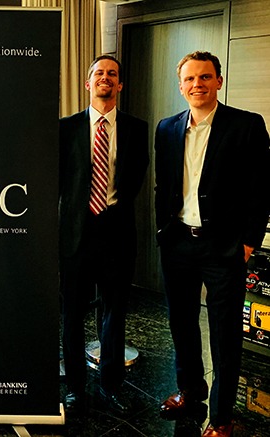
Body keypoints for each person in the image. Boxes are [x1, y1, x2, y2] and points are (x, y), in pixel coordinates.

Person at [155, 51, 270, 437]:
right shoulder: (167, 128)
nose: (197, 84)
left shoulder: (247, 125)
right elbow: (163, 187)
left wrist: (249, 242)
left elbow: (261, 190)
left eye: (205, 77)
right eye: (189, 79)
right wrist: (163, 230)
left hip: (224, 249)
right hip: (177, 244)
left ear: (218, 81)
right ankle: (190, 391)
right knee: (182, 324)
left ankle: (221, 418)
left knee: (224, 333)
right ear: (181, 85)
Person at [59, 55, 149, 415]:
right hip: (75, 236)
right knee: (72, 315)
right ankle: (75, 388)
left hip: (117, 233)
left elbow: (135, 179)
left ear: (120, 85)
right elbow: (60, 183)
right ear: (88, 83)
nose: (105, 78)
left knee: (114, 315)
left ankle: (111, 386)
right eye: (99, 73)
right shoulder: (65, 128)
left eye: (112, 74)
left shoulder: (136, 129)